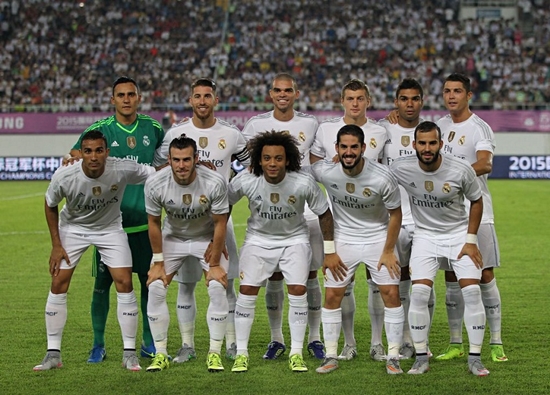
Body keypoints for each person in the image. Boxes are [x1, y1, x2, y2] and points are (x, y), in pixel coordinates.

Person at [34, 130, 155, 372]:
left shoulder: (121, 168)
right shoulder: (65, 175)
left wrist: (192, 165)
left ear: (107, 152)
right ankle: (53, 354)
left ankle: (129, 353)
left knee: (124, 282)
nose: (93, 156)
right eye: (87, 151)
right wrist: (57, 245)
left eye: (99, 150)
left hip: (110, 229)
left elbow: (155, 173)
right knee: (59, 282)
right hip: (73, 229)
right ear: (81, 153)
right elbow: (50, 205)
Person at [69, 76, 165, 363]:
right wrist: (72, 158)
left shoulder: (154, 128)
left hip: (145, 222)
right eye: (120, 95)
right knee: (102, 286)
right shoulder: (101, 130)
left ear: (138, 98)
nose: (126, 99)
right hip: (108, 225)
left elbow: (164, 160)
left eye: (130, 94)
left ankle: (148, 341)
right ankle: (98, 344)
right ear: (113, 100)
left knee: (148, 284)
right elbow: (77, 152)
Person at [228, 131, 338, 373]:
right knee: (246, 292)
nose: (272, 163)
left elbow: (324, 212)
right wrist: (216, 243)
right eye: (267, 158)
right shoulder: (246, 179)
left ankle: (296, 353)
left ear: (287, 160)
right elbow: (223, 204)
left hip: (294, 240)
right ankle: (242, 354)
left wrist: (329, 251)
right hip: (258, 240)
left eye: (278, 158)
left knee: (298, 290)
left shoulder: (302, 182)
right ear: (259, 160)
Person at [157, 78, 250, 363]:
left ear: (215, 100)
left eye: (207, 96)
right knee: (186, 286)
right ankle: (187, 345)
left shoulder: (231, 134)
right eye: (197, 96)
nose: (202, 101)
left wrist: (230, 187)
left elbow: (250, 166)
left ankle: (232, 343)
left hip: (221, 220)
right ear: (190, 99)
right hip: (183, 221)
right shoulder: (178, 132)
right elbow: (160, 165)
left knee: (226, 283)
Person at [390, 121, 489, 376]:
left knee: (472, 293)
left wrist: (470, 239)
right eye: (422, 143)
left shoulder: (460, 169)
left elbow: (477, 201)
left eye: (432, 143)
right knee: (420, 294)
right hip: (425, 237)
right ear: (414, 145)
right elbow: (377, 179)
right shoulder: (401, 168)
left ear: (440, 144)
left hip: (458, 236)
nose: (427, 148)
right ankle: (421, 357)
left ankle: (475, 359)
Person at [241, 73, 325, 360]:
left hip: (307, 208)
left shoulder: (310, 123)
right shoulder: (256, 124)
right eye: (277, 90)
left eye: (288, 90)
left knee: (309, 276)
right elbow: (245, 160)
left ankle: (314, 338)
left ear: (296, 93)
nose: (283, 95)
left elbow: (319, 156)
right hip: (272, 208)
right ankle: (277, 339)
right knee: (274, 277)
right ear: (270, 93)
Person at [311, 125, 404, 375]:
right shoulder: (326, 172)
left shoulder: (382, 176)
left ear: (364, 148)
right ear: (337, 149)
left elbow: (396, 214)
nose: (349, 152)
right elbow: (302, 170)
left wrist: (388, 250)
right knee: (332, 296)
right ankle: (331, 355)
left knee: (390, 294)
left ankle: (393, 356)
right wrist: (329, 250)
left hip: (378, 238)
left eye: (354, 147)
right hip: (344, 240)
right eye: (344, 147)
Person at [310, 79, 389, 362]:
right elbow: (313, 164)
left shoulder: (382, 130)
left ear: (368, 100)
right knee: (343, 285)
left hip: (375, 220)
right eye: (350, 98)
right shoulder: (326, 128)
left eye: (360, 98)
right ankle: (349, 343)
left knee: (377, 282)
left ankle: (378, 343)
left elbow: (387, 167)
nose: (355, 103)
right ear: (342, 101)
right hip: (341, 222)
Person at [436, 73, 507, 363]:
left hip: (479, 213)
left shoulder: (479, 127)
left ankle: (496, 342)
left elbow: (485, 162)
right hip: (447, 216)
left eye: (457, 91)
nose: (451, 96)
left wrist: (454, 175)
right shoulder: (439, 126)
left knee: (485, 274)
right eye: (447, 91)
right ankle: (455, 343)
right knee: (452, 277)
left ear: (469, 95)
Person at [144, 135, 230, 373]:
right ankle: (160, 353)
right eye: (176, 160)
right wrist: (159, 261)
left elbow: (221, 222)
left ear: (196, 159)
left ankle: (214, 353)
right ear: (169, 160)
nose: (181, 166)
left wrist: (214, 262)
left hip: (205, 237)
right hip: (173, 238)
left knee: (216, 285)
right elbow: (153, 222)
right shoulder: (155, 182)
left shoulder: (214, 181)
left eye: (186, 160)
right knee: (155, 287)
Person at [380, 78, 435, 359]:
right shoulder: (382, 129)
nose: (409, 104)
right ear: (396, 102)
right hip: (394, 218)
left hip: (427, 219)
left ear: (422, 101)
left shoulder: (433, 132)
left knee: (424, 281)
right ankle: (400, 339)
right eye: (404, 99)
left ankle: (421, 339)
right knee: (394, 279)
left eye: (415, 98)